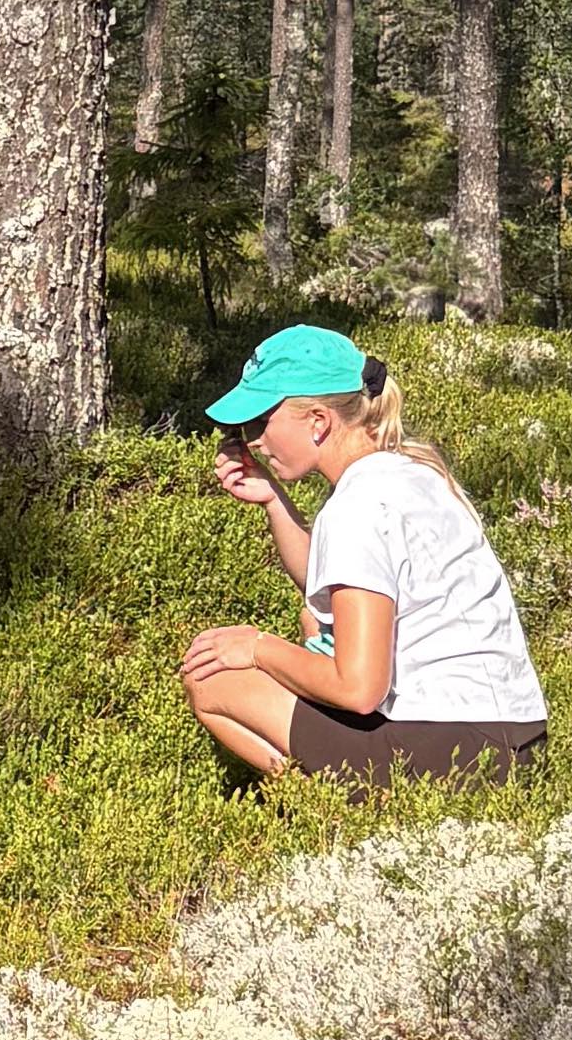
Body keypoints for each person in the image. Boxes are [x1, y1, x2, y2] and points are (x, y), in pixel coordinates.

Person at [180, 318, 549, 789]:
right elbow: (332, 589)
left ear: (318, 422)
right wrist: (274, 499)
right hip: (512, 740)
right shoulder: (411, 471)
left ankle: (330, 810)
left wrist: (255, 648)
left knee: (212, 681)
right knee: (314, 620)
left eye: (261, 421)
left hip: (460, 756)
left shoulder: (357, 508)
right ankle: (343, 794)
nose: (252, 439)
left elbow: (358, 690)